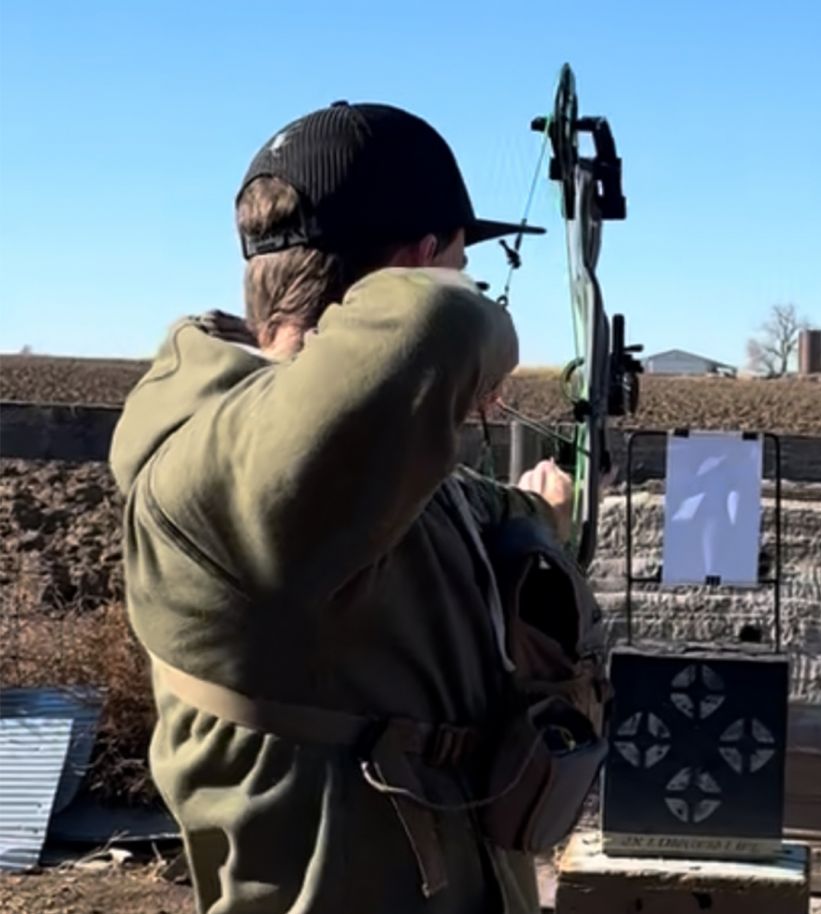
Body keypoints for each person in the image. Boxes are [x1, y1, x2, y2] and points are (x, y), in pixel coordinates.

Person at [108, 100, 604, 914]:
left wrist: (537, 518)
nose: (469, 287)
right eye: (461, 265)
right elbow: (436, 325)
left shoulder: (336, 475)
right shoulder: (219, 475)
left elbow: (460, 514)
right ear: (417, 263)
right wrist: (460, 319)